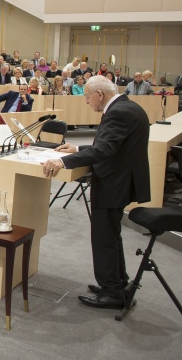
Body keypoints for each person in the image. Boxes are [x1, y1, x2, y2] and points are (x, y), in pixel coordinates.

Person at [41, 76, 150, 310]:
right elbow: (113, 144)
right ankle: (117, 282)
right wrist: (78, 148)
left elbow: (106, 149)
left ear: (99, 94)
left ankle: (112, 291)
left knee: (103, 237)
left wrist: (64, 161)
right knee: (110, 234)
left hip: (114, 182)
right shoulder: (127, 107)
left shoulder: (118, 112)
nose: (86, 102)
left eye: (87, 97)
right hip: (120, 180)